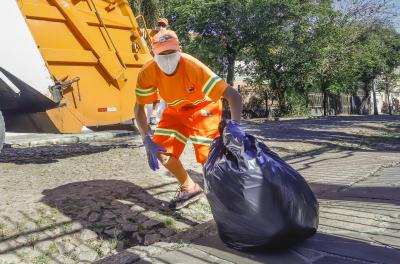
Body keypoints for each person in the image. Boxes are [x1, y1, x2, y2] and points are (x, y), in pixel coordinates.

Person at [134, 30, 243, 210]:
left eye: (171, 52)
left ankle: (229, 197)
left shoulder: (192, 66)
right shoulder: (147, 72)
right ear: (153, 54)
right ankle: (189, 186)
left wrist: (235, 126)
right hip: (175, 110)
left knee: (208, 158)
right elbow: (138, 107)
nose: (167, 58)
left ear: (180, 49)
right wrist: (146, 138)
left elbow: (233, 96)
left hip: (204, 108)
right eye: (162, 54)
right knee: (161, 151)